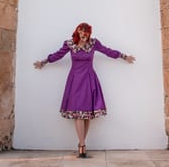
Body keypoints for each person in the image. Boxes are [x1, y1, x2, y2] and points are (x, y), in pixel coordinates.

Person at [33, 22, 136, 158]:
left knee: (87, 114)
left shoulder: (94, 43)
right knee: (78, 113)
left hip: (89, 79)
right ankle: (82, 145)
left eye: (86, 32)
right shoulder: (69, 44)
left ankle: (82, 143)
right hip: (75, 80)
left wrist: (124, 56)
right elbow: (58, 55)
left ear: (89, 34)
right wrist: (43, 62)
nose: (84, 35)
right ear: (77, 32)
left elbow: (107, 51)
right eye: (81, 32)